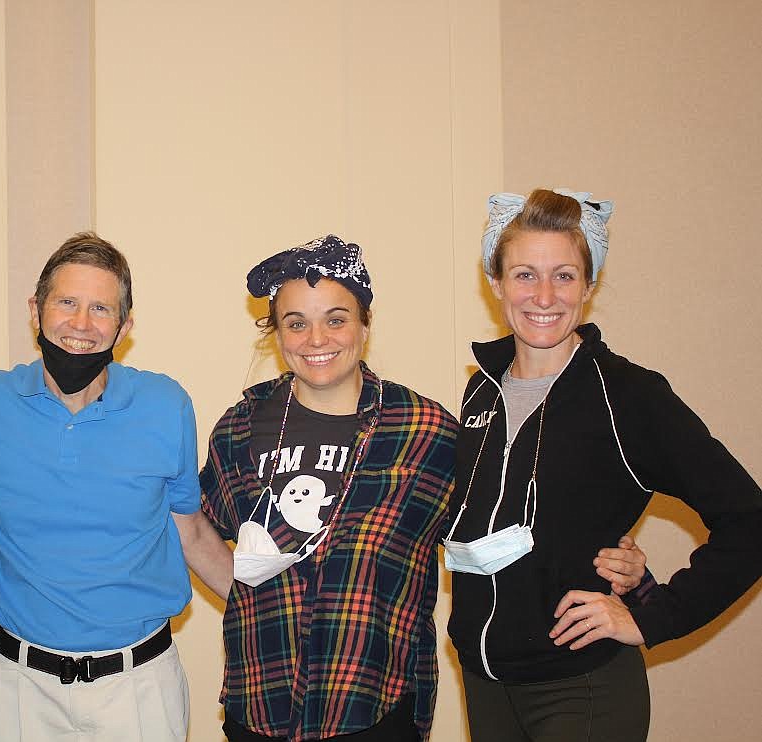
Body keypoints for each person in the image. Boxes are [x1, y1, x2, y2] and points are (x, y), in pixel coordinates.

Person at [446, 188, 762, 741]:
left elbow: (749, 521)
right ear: (495, 282)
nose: (544, 295)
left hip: (580, 687)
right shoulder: (480, 394)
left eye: (564, 276)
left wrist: (650, 613)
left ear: (589, 286)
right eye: (525, 274)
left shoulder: (628, 395)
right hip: (487, 683)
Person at [0, 232, 231, 742]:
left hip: (139, 688)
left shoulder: (166, 405)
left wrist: (277, 618)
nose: (81, 325)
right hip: (20, 689)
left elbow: (189, 532)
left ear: (124, 326)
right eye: (67, 302)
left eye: (101, 309)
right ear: (35, 309)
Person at [198, 235, 457, 742]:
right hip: (261, 706)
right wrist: (251, 599)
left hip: (375, 706)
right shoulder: (239, 429)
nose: (316, 339)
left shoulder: (425, 431)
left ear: (364, 324)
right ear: (277, 332)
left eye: (335, 319)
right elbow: (197, 527)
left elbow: (490, 530)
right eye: (296, 323)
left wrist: (616, 563)